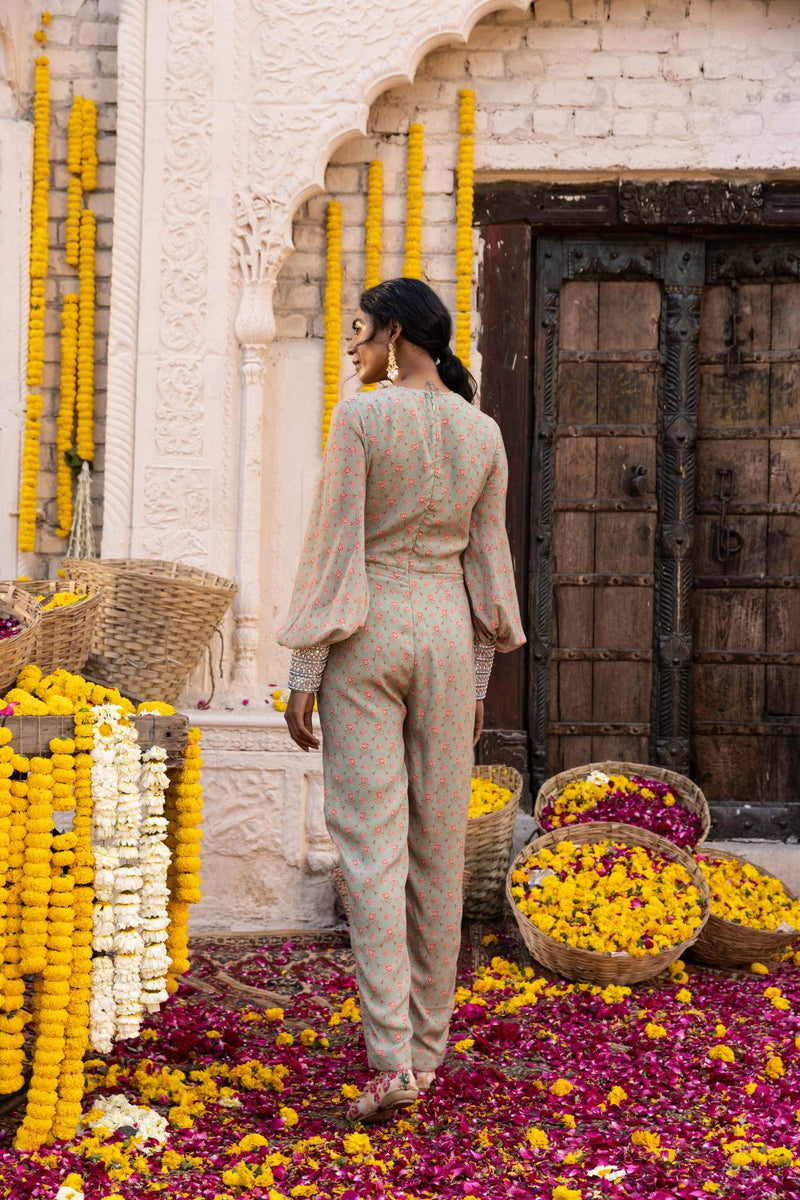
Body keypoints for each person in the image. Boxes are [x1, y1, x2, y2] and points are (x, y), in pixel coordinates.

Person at [277, 277, 525, 1123]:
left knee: (372, 848)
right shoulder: (482, 430)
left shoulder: (362, 419)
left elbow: (333, 543)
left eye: (360, 331)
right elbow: (490, 563)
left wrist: (305, 669)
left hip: (369, 631)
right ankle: (427, 1047)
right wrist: (483, 677)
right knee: (440, 847)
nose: (351, 347)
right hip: (450, 637)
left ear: (394, 335)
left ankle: (391, 1063)